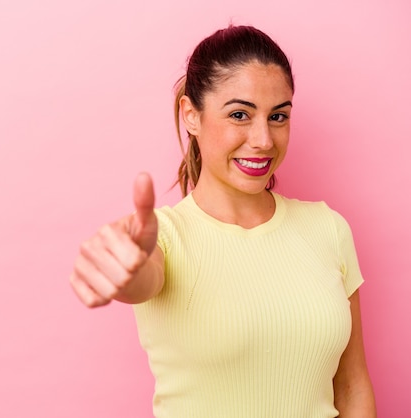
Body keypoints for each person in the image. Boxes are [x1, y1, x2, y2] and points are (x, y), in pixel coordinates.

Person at [69, 25, 376, 417]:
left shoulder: (328, 228)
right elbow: (141, 277)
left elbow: (352, 387)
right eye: (239, 114)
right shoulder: (162, 238)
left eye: (278, 116)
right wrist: (120, 270)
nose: (264, 139)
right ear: (191, 115)